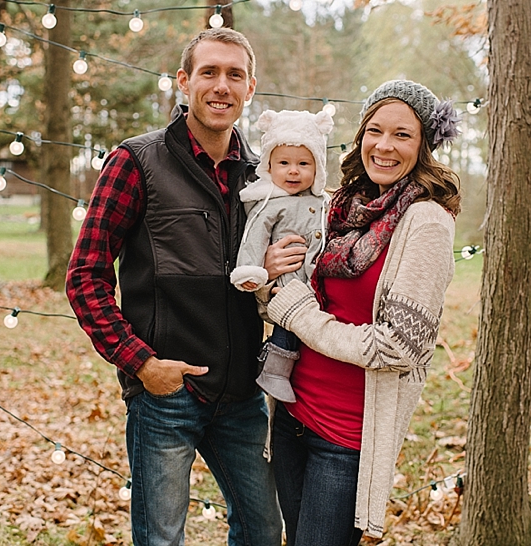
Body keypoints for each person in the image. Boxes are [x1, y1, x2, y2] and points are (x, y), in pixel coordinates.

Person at [65, 28, 287, 546]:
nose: (221, 86)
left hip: (242, 394)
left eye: (235, 75)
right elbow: (86, 275)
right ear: (184, 82)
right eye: (209, 72)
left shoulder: (262, 175)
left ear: (250, 88)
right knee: (161, 538)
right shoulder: (137, 161)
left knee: (263, 530)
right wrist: (142, 364)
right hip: (167, 393)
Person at [262, 79, 462, 544]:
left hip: (346, 438)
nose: (384, 146)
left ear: (424, 145)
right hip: (291, 416)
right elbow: (292, 294)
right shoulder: (339, 206)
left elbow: (398, 347)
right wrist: (270, 274)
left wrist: (299, 316)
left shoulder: (427, 222)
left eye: (402, 134)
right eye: (375, 130)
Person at [230, 108, 333, 403]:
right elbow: (254, 236)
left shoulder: (323, 201)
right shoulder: (270, 203)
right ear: (269, 166)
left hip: (315, 283)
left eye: (303, 163)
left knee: (310, 328)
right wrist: (251, 270)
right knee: (288, 325)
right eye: (284, 163)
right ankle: (274, 372)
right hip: (287, 282)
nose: (293, 171)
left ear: (317, 167)